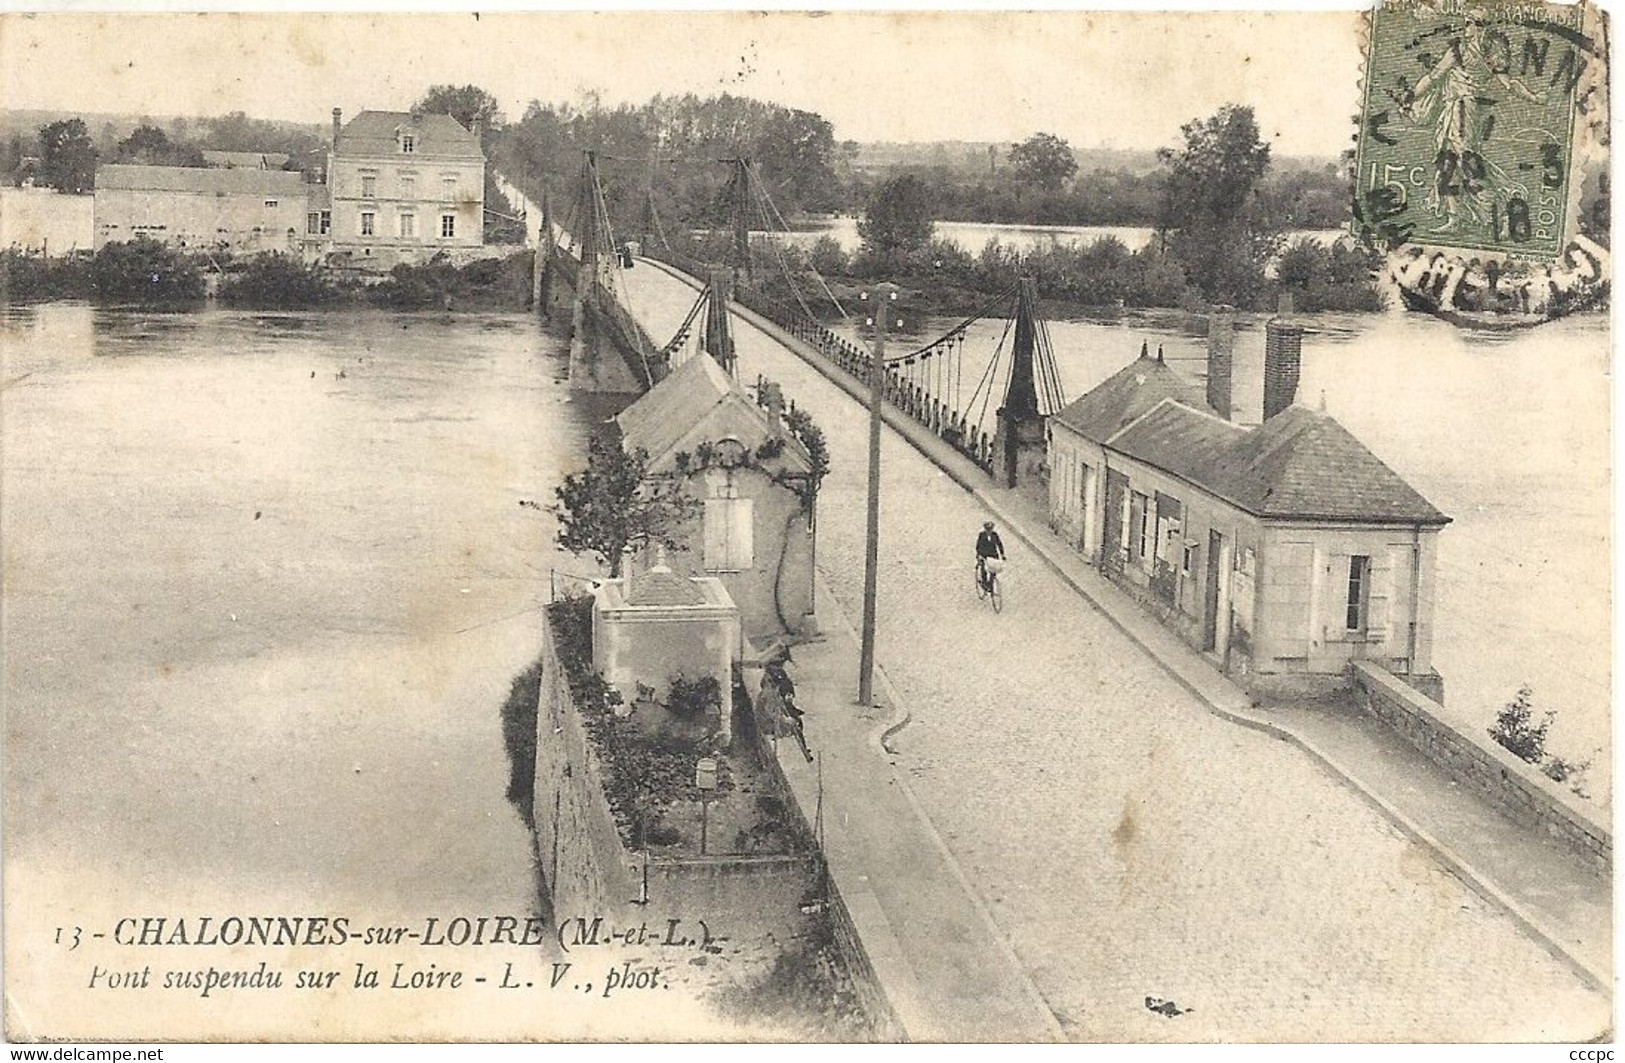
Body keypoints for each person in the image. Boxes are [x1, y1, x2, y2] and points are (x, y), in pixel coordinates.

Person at [975, 520, 1005, 590]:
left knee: (994, 569)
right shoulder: (982, 535)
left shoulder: (995, 535)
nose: (989, 531)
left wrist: (1002, 554)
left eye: (991, 529)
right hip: (984, 554)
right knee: (983, 567)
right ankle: (984, 582)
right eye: (988, 529)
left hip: (993, 554)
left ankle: (990, 583)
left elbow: (999, 544)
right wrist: (979, 555)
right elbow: (978, 546)